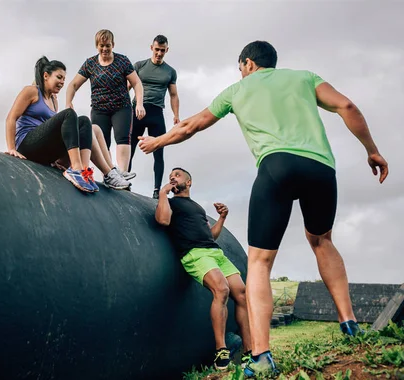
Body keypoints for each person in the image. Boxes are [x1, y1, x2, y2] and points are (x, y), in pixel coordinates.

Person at [139, 41, 389, 376]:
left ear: (247, 63)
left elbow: (191, 125)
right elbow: (347, 105)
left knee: (259, 261)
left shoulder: (237, 89)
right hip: (321, 168)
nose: (240, 71)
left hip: (276, 166)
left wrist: (157, 141)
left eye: (240, 66)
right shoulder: (305, 78)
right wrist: (371, 150)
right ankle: (349, 323)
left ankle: (262, 355)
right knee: (322, 241)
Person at [155, 168, 251, 371]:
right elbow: (163, 220)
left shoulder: (197, 207)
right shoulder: (170, 203)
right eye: (171, 176)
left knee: (242, 294)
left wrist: (222, 218)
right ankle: (221, 350)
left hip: (215, 252)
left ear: (188, 182)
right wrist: (163, 194)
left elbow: (210, 235)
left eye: (177, 175)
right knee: (222, 289)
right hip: (194, 254)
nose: (172, 177)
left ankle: (250, 350)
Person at [5, 56, 130, 192]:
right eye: (59, 77)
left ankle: (89, 171)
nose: (62, 82)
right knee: (69, 113)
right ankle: (76, 169)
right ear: (46, 76)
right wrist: (11, 148)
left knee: (83, 121)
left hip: (43, 152)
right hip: (26, 144)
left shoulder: (54, 101)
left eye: (64, 79)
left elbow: (51, 132)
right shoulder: (31, 91)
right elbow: (11, 118)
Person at [66, 29, 146, 178]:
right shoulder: (90, 63)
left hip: (121, 107)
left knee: (122, 137)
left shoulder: (122, 61)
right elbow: (73, 85)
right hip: (99, 109)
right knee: (103, 141)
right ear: (97, 46)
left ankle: (122, 172)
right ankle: (110, 173)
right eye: (101, 46)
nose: (104, 49)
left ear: (113, 44)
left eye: (107, 45)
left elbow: (137, 83)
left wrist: (139, 103)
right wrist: (68, 102)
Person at [128, 35, 181, 199]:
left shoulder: (170, 72)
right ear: (152, 48)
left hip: (156, 112)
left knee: (159, 151)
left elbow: (173, 95)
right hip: (137, 110)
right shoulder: (140, 66)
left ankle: (157, 190)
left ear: (167, 50)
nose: (159, 53)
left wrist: (176, 116)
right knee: (129, 147)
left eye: (162, 51)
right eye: (157, 49)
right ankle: (124, 181)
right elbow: (127, 88)